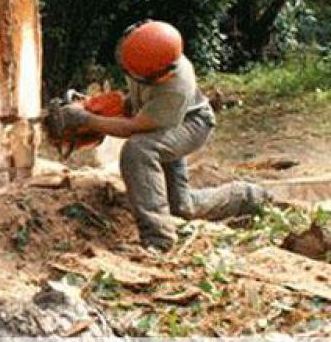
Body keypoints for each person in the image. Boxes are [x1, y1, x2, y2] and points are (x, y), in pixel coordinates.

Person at [60, 20, 269, 251]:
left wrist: (86, 120)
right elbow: (137, 101)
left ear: (157, 76)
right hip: (162, 120)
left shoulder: (176, 88)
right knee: (181, 207)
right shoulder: (142, 50)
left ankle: (158, 239)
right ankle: (245, 196)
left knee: (139, 151)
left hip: (191, 124)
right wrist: (98, 107)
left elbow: (134, 128)